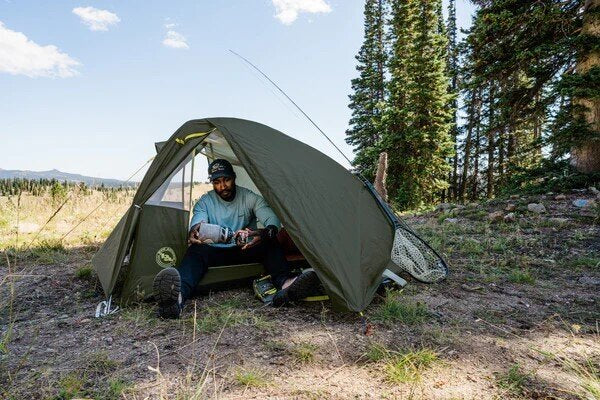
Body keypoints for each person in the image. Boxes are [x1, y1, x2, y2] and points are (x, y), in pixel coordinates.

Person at [152, 158, 319, 318]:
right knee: (196, 251)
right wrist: (195, 231)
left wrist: (262, 233)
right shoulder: (205, 201)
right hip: (215, 252)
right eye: (217, 182)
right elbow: (198, 223)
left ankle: (287, 285)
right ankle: (175, 300)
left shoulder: (249, 197)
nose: (222, 186)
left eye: (226, 180)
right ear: (212, 183)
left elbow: (272, 220)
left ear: (234, 178)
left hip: (245, 249)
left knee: (270, 241)